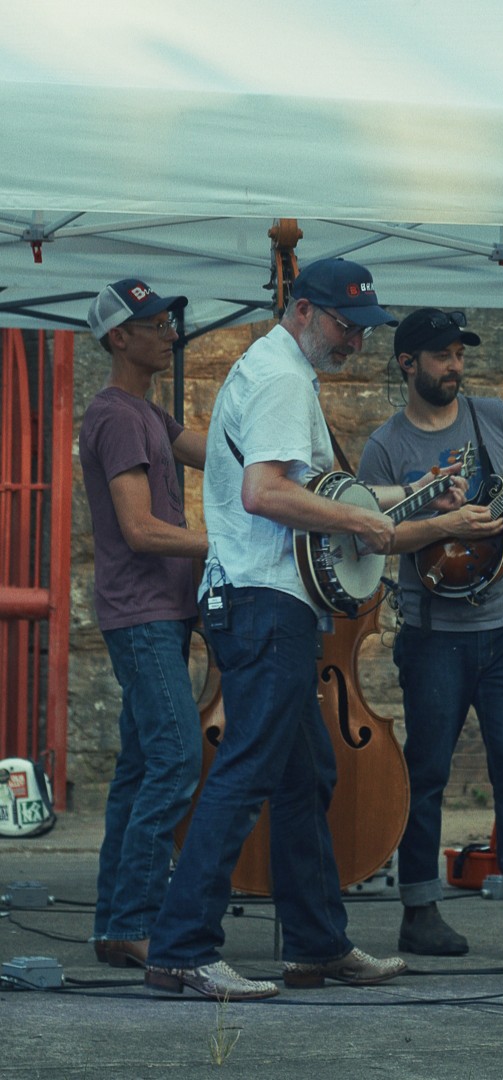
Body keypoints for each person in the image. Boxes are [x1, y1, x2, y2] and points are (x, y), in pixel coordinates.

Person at [145, 259, 451, 1001]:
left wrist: (407, 495)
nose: (355, 343)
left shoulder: (277, 370)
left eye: (363, 330)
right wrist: (364, 523)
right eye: (347, 327)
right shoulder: (282, 378)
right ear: (305, 310)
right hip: (266, 603)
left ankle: (316, 945)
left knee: (305, 773)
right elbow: (266, 491)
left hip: (260, 602)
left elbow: (321, 487)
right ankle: (183, 948)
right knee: (248, 771)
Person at [356, 307, 503, 959]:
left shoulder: (498, 419)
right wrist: (433, 510)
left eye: (459, 354)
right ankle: (419, 911)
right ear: (407, 364)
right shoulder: (387, 444)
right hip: (431, 631)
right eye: (443, 355)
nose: (455, 365)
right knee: (426, 770)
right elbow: (367, 520)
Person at [79, 279, 206, 970]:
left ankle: (113, 925)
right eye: (154, 324)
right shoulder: (119, 417)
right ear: (117, 338)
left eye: (168, 321)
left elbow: (221, 455)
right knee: (178, 760)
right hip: (144, 616)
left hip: (160, 614)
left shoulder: (149, 414)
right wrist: (222, 546)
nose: (170, 333)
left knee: (137, 771)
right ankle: (133, 920)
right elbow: (138, 529)